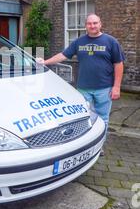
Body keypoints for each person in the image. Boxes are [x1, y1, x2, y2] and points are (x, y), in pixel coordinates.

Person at [37, 14, 125, 156]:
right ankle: (85, 146)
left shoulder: (111, 41)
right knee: (84, 118)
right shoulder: (79, 42)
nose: (92, 26)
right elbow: (63, 55)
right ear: (86, 25)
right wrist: (45, 62)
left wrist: (117, 86)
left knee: (103, 118)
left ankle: (99, 146)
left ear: (100, 24)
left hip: (104, 88)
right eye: (89, 23)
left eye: (95, 23)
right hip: (83, 88)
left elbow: (119, 64)